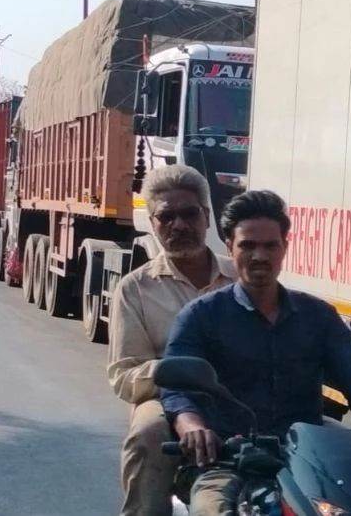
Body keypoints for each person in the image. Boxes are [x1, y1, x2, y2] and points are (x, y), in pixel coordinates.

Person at [160, 190, 351, 515]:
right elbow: (177, 391)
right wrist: (193, 426)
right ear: (229, 248)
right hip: (228, 461)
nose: (259, 256)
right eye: (247, 246)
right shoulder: (201, 316)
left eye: (270, 245)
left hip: (308, 462)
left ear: (285, 247)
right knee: (211, 509)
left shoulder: (318, 316)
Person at [108, 165, 236, 516]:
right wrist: (175, 372)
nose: (179, 225)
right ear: (153, 224)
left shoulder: (240, 277)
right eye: (167, 217)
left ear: (206, 217)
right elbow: (123, 376)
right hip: (164, 399)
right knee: (148, 433)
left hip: (239, 393)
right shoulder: (135, 289)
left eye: (189, 214)